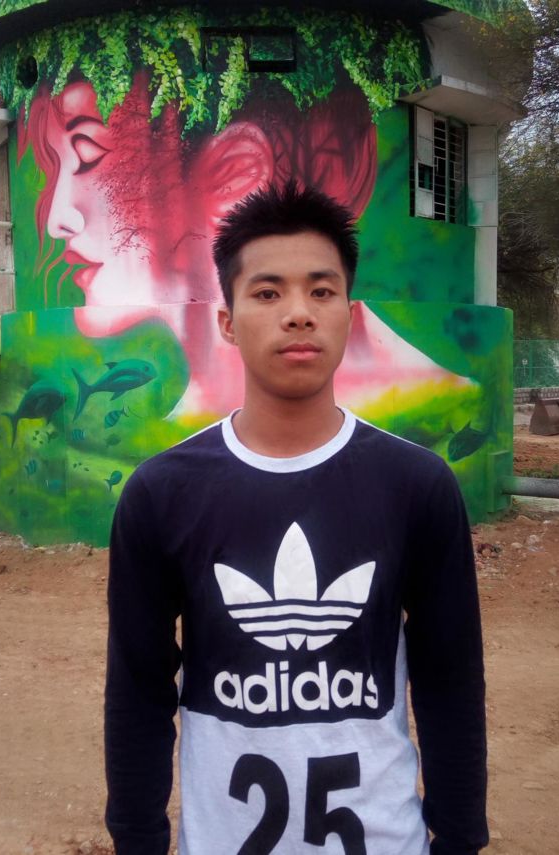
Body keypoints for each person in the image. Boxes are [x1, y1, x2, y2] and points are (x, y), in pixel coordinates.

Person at [104, 182, 488, 854]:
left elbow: (449, 678)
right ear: (227, 320)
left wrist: (458, 838)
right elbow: (139, 687)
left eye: (321, 290)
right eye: (267, 292)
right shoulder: (160, 493)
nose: (299, 314)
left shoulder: (417, 486)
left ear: (351, 314)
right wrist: (137, 840)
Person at [20, 74, 473, 425]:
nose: (58, 218)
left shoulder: (425, 463)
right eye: (268, 293)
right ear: (228, 323)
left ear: (233, 174)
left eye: (87, 154)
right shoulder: (162, 482)